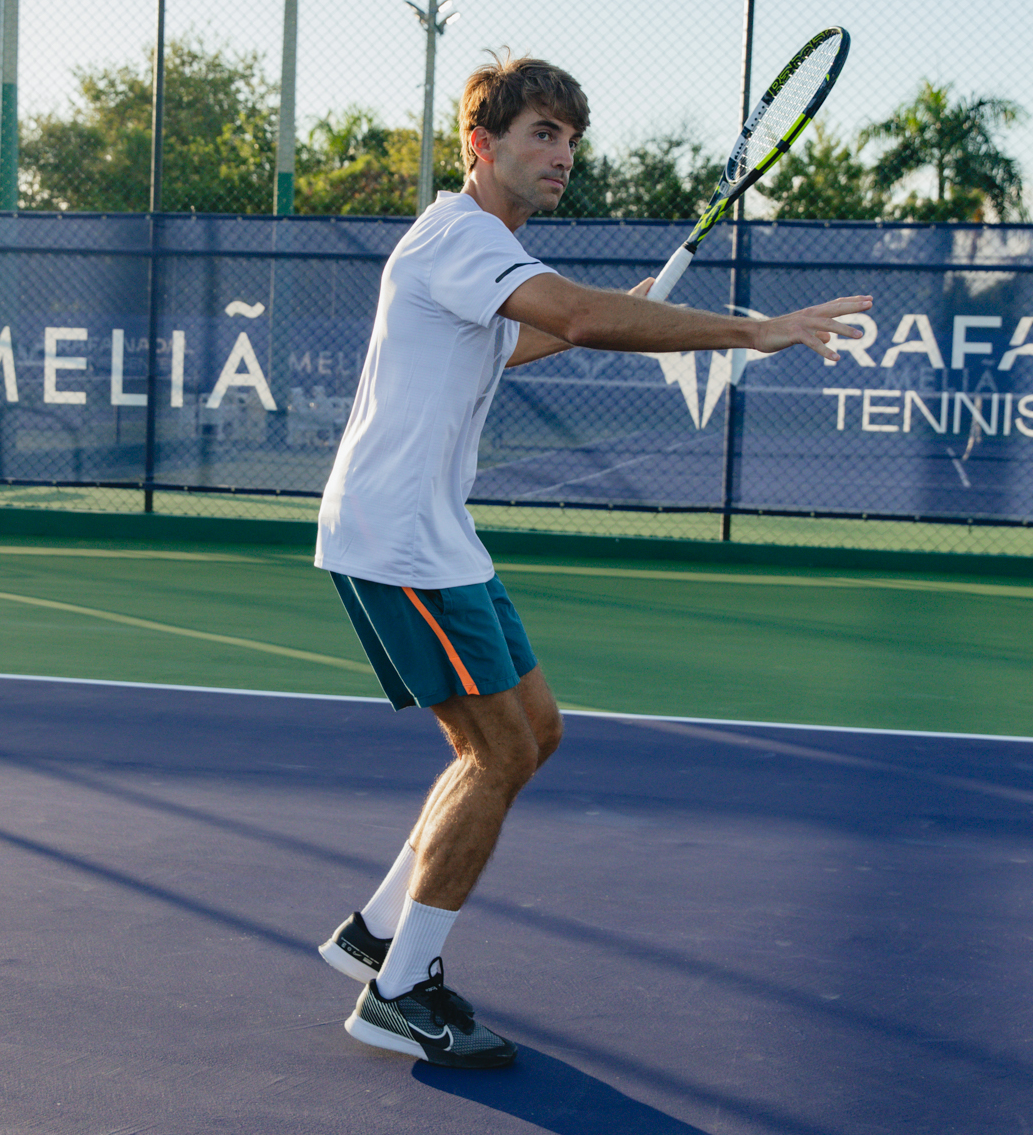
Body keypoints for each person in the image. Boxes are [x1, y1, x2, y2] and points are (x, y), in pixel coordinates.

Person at [313, 53, 872, 1068]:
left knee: (534, 730)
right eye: (539, 133)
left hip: (434, 532)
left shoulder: (480, 253)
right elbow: (570, 315)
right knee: (497, 753)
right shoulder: (457, 235)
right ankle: (398, 991)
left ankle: (378, 928)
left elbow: (526, 338)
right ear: (479, 145)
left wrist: (626, 304)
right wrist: (752, 329)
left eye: (569, 137)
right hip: (396, 538)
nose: (560, 153)